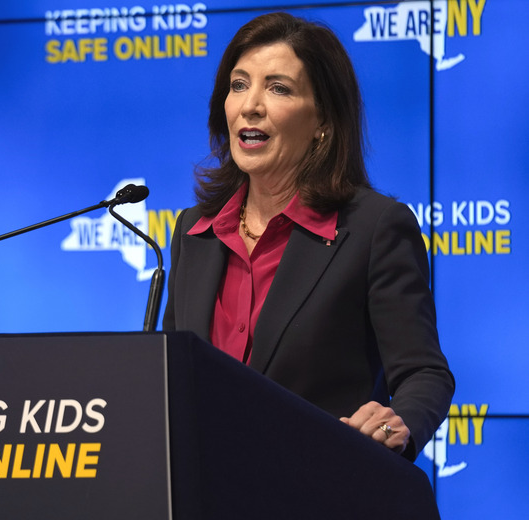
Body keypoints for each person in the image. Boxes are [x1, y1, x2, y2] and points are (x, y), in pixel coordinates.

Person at [162, 12, 454, 461]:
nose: (250, 105)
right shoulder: (194, 231)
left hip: (320, 486)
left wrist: (397, 424)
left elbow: (424, 372)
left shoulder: (374, 229)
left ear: (323, 120)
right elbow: (170, 378)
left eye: (278, 88)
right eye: (238, 85)